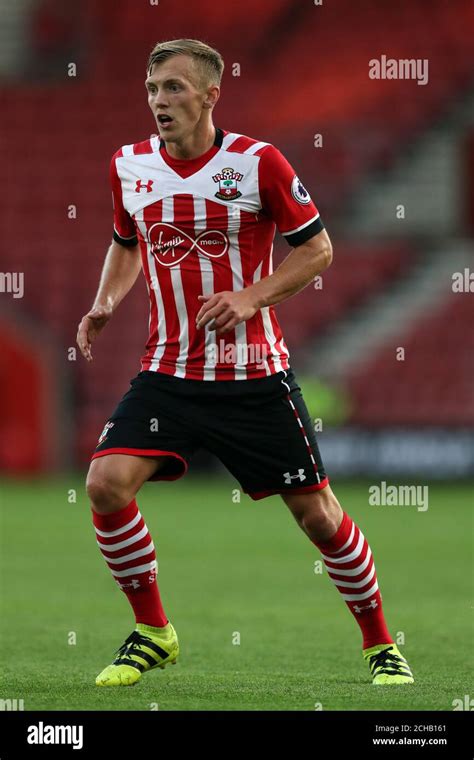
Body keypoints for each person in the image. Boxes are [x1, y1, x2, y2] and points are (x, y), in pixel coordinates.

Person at [76, 38, 414, 688]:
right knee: (103, 484)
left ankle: (380, 644)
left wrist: (249, 296)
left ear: (210, 94)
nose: (160, 101)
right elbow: (126, 244)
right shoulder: (128, 165)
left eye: (174, 88)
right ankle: (154, 631)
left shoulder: (257, 163)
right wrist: (103, 303)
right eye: (152, 89)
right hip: (168, 375)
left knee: (318, 517)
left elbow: (316, 250)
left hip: (253, 377)